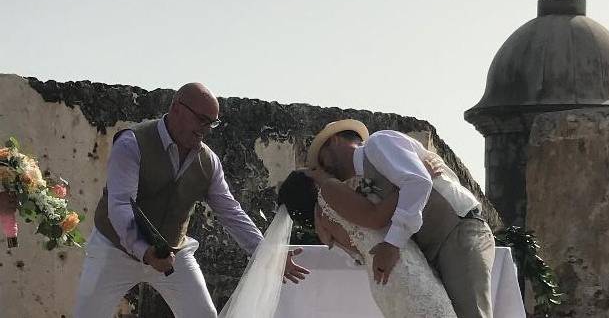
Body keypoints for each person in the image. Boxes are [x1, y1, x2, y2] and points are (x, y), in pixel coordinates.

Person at [73, 82, 309, 318]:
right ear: (176, 109)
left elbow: (230, 212)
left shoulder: (209, 161)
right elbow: (121, 205)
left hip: (173, 253)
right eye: (201, 119)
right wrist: (145, 251)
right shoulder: (131, 143)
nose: (205, 129)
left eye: (212, 123)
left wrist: (269, 254)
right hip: (115, 250)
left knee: (203, 315)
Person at [304, 119, 495, 318]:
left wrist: (392, 244)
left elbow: (418, 182)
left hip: (457, 231)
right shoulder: (361, 184)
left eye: (322, 158)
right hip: (434, 249)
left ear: (335, 141)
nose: (324, 168)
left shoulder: (378, 143)